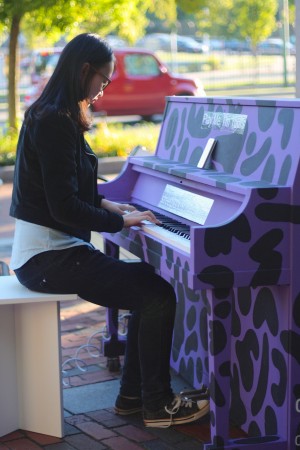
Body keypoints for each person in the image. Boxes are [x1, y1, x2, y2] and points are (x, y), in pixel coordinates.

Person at [9, 33, 209, 428]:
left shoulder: (55, 114)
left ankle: (133, 396)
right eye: (104, 79)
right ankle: (158, 403)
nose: (104, 88)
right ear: (84, 71)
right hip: (47, 258)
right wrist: (121, 221)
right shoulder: (54, 121)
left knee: (147, 284)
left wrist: (107, 203)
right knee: (157, 295)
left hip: (55, 251)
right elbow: (62, 206)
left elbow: (67, 187)